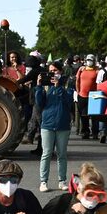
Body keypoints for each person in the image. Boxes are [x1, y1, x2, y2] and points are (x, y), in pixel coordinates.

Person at [36, 60, 72, 193]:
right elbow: (39, 103)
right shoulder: (45, 86)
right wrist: (39, 86)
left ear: (60, 72)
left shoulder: (67, 84)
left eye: (55, 71)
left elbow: (69, 103)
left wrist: (58, 87)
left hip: (63, 125)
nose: (53, 73)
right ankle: (43, 181)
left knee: (62, 154)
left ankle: (62, 181)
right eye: (50, 71)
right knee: (46, 154)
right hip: (48, 124)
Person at [17, 54, 43, 154]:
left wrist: (16, 82)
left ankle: (41, 147)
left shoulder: (35, 70)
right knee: (36, 121)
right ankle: (37, 145)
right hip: (37, 98)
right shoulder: (39, 69)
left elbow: (25, 79)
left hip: (37, 98)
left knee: (39, 122)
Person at [75, 54, 99, 139]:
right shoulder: (81, 69)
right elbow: (77, 80)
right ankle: (85, 132)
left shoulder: (97, 70)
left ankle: (95, 133)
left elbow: (99, 83)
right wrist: (78, 91)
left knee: (95, 116)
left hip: (93, 96)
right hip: (82, 96)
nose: (89, 61)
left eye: (91, 60)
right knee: (83, 116)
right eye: (88, 60)